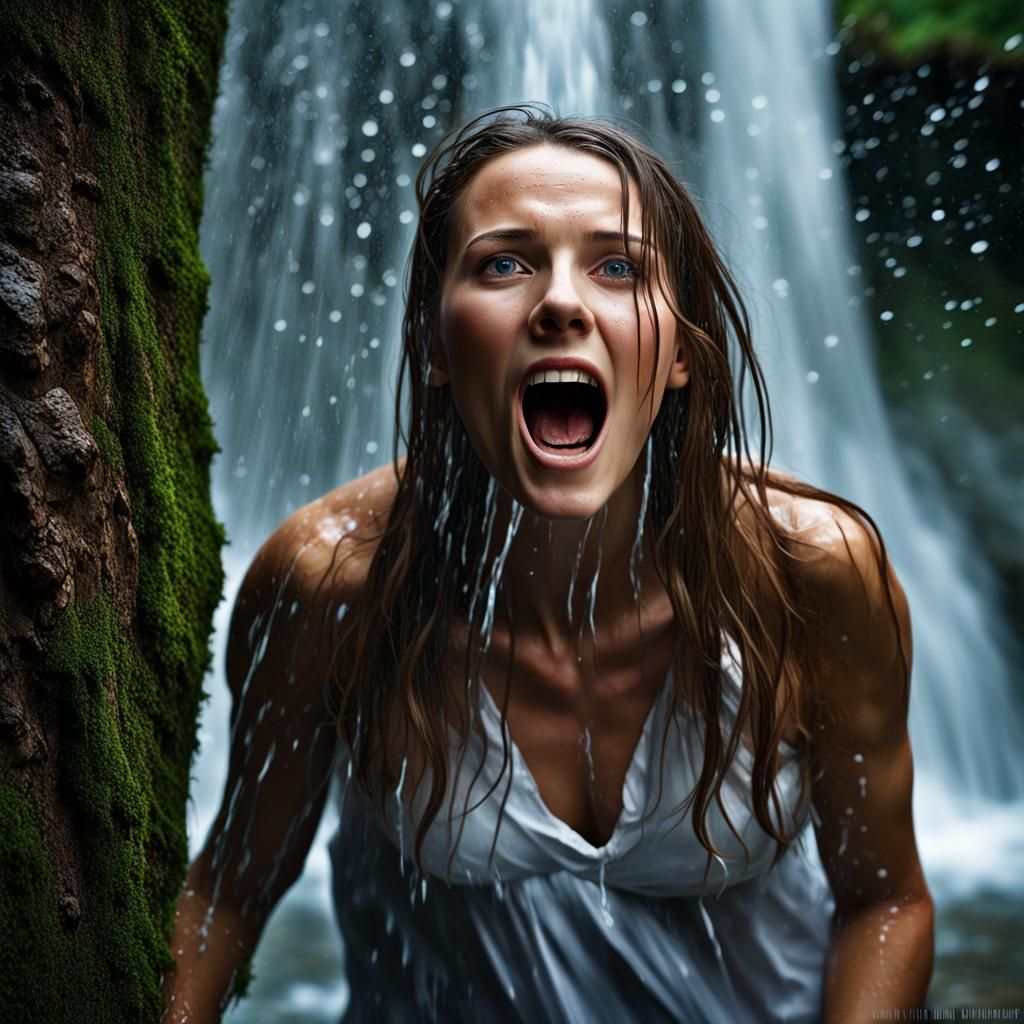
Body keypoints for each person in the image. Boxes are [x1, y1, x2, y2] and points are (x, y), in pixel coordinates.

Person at [163, 107, 934, 1023]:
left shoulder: (809, 575)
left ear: (683, 352)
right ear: (433, 345)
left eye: (616, 266)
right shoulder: (333, 584)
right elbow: (227, 896)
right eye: (503, 263)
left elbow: (886, 901)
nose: (560, 303)